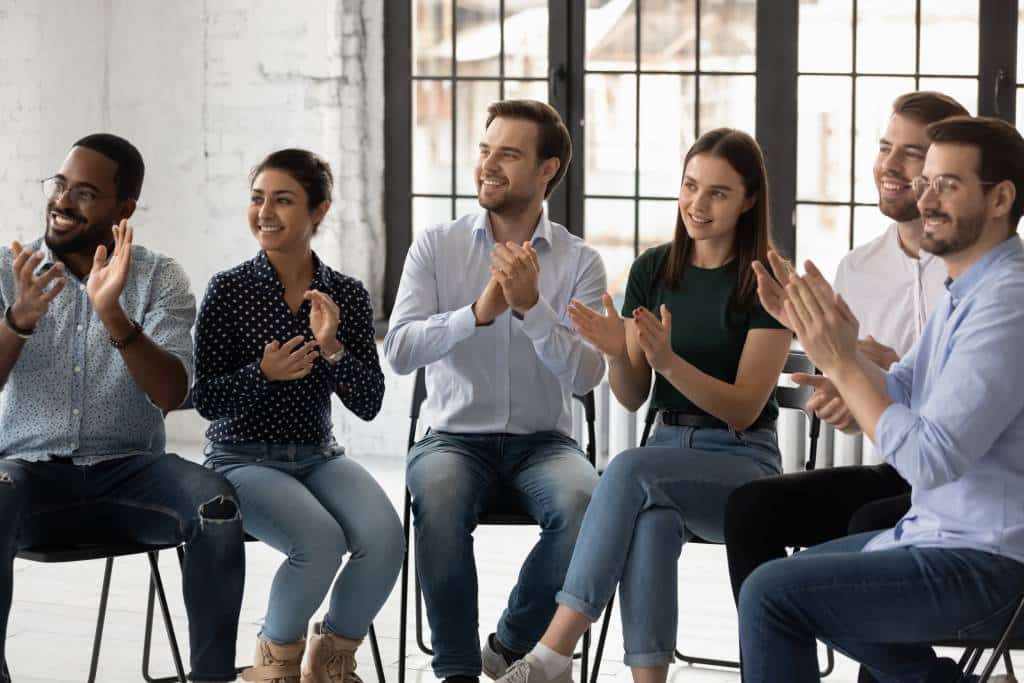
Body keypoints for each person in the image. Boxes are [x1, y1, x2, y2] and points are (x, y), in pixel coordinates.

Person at [493, 128, 791, 683]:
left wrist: (670, 362)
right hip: (666, 453)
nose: (696, 205)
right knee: (650, 521)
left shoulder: (767, 280)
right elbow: (632, 395)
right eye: (690, 186)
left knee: (628, 468)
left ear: (749, 200)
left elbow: (746, 408)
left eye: (718, 193)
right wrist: (616, 353)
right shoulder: (655, 269)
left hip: (742, 463)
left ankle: (552, 652)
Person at [738, 115, 1024, 683]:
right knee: (768, 587)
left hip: (991, 564)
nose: (927, 199)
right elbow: (905, 387)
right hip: (936, 534)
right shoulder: (965, 287)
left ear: (1001, 200)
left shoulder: (1007, 302)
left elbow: (928, 459)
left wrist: (843, 360)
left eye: (949, 184)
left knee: (774, 594)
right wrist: (835, 346)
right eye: (928, 182)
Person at [0, 134, 244, 683]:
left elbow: (170, 393)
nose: (62, 201)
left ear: (123, 208)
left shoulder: (160, 278)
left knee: (218, 506)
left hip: (131, 476)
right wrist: (17, 321)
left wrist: (114, 316)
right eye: (59, 185)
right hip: (29, 478)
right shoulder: (7, 271)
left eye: (85, 193)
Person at [383, 99, 605, 683]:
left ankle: (508, 646)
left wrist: (532, 309)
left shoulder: (581, 261)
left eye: (509, 154)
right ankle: (456, 672)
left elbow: (587, 377)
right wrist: (476, 314)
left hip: (546, 444)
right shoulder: (435, 246)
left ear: (547, 169)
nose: (489, 165)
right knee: (438, 494)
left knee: (586, 503)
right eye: (486, 150)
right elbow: (400, 350)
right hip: (453, 439)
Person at [724, 90, 968, 603]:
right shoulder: (856, 270)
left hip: (969, 480)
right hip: (898, 471)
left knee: (869, 522)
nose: (890, 165)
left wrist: (888, 373)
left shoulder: (975, 270)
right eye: (885, 147)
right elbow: (864, 413)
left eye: (913, 153)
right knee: (749, 508)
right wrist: (846, 397)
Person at [192, 149, 403, 683]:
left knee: (385, 539)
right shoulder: (230, 289)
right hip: (240, 458)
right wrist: (262, 374)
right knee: (319, 543)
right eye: (258, 198)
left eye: (283, 200)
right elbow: (205, 400)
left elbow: (370, 402)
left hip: (318, 456)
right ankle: (273, 668)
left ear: (319, 210)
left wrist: (331, 347)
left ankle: (329, 663)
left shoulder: (346, 296)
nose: (265, 211)